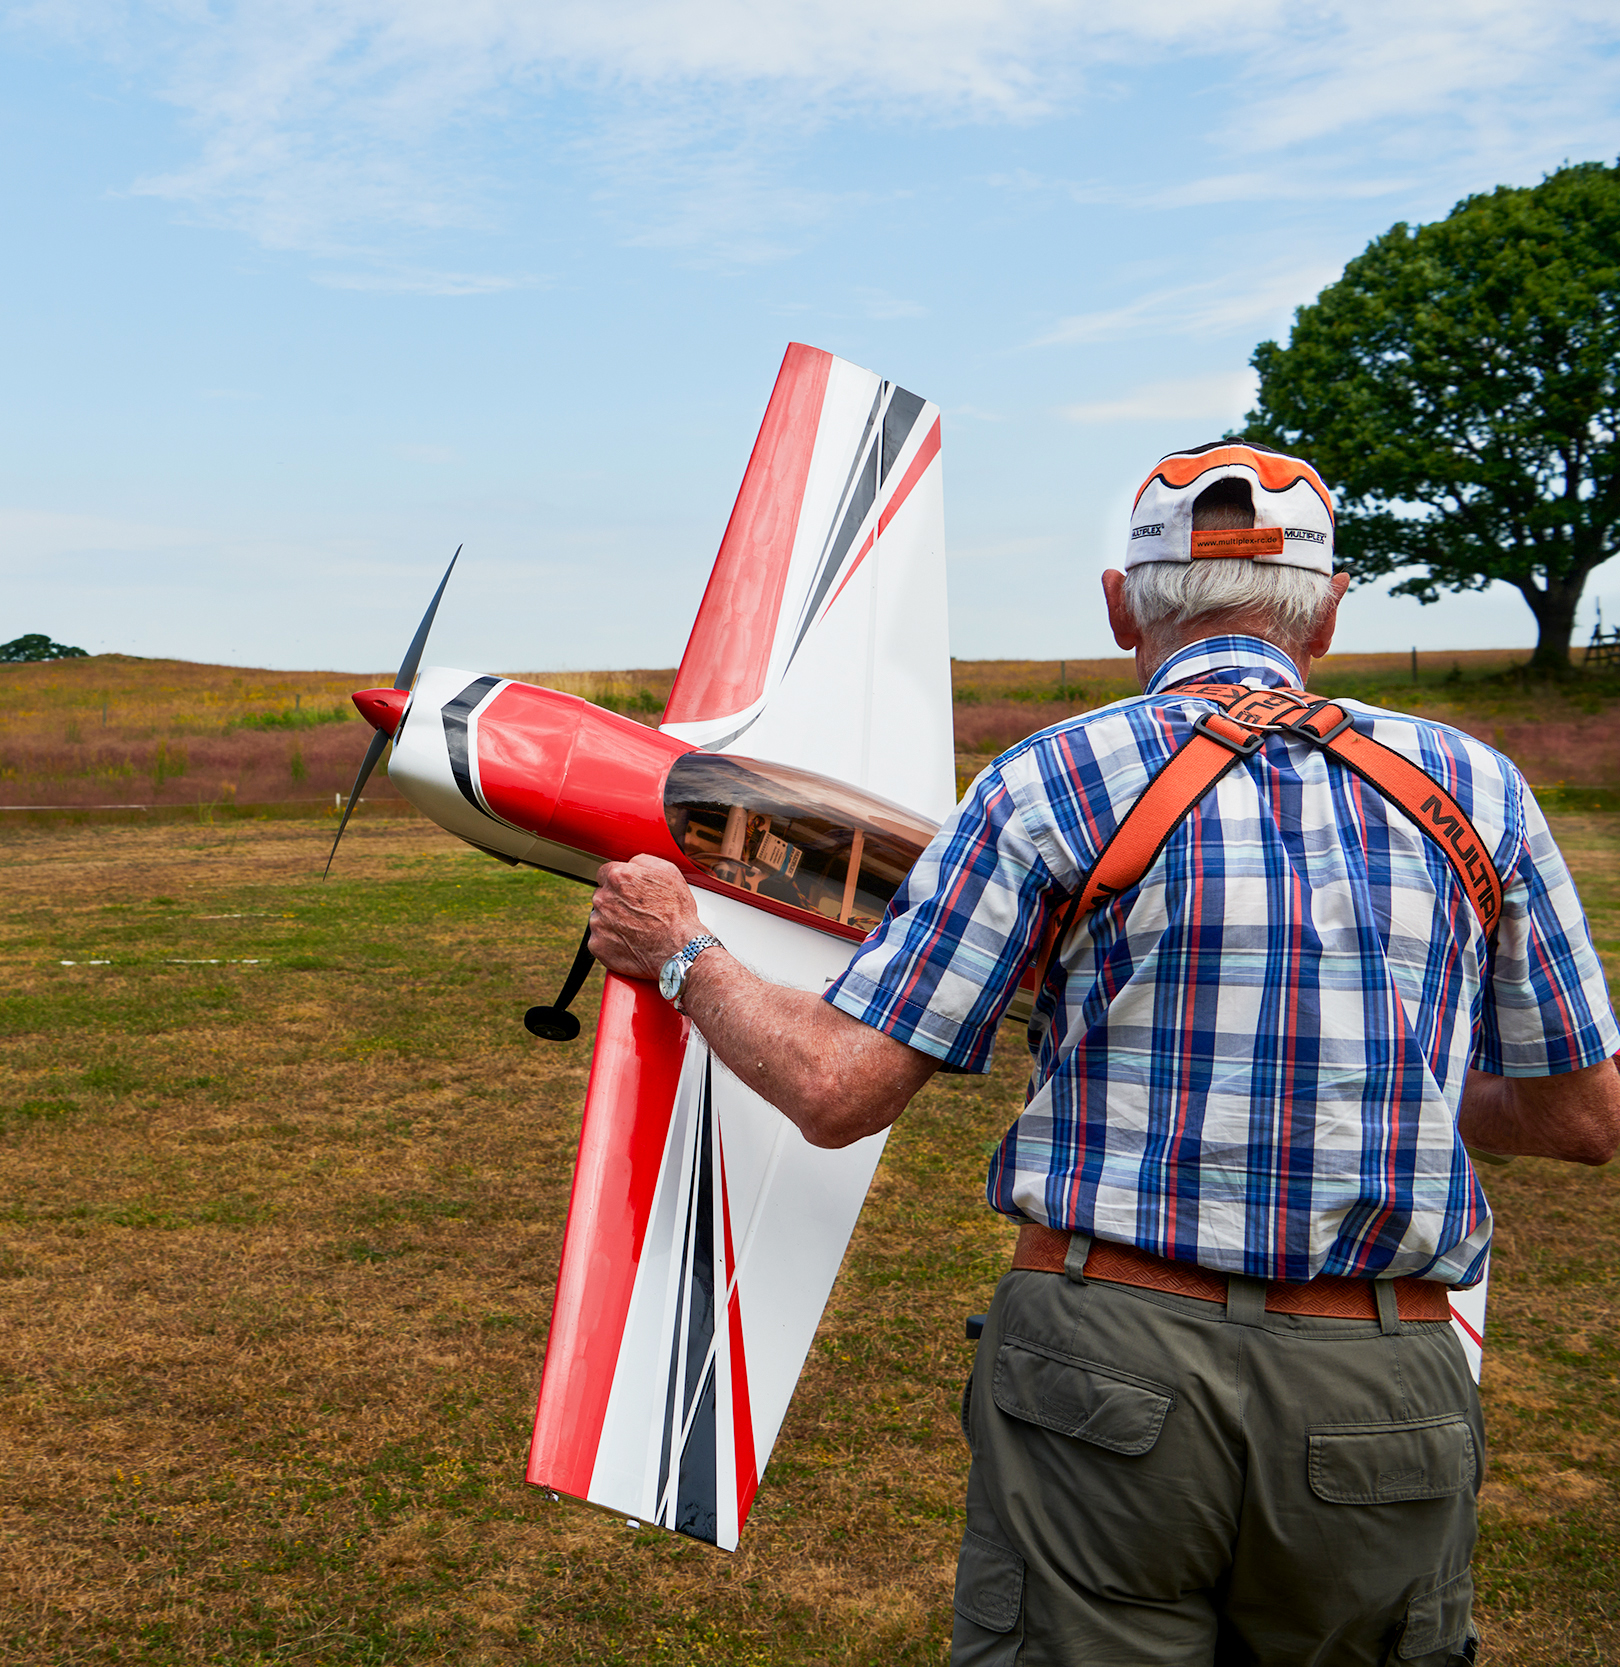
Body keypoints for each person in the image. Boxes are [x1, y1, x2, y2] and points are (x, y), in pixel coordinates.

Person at [585, 441, 1620, 1666]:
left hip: (1107, 1372)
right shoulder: (1483, 789)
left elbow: (836, 1083)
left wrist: (678, 950)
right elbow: (1582, 1116)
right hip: (1383, 1387)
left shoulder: (1049, 776)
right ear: (1329, 613)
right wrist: (1393, 1071)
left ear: (1122, 601)